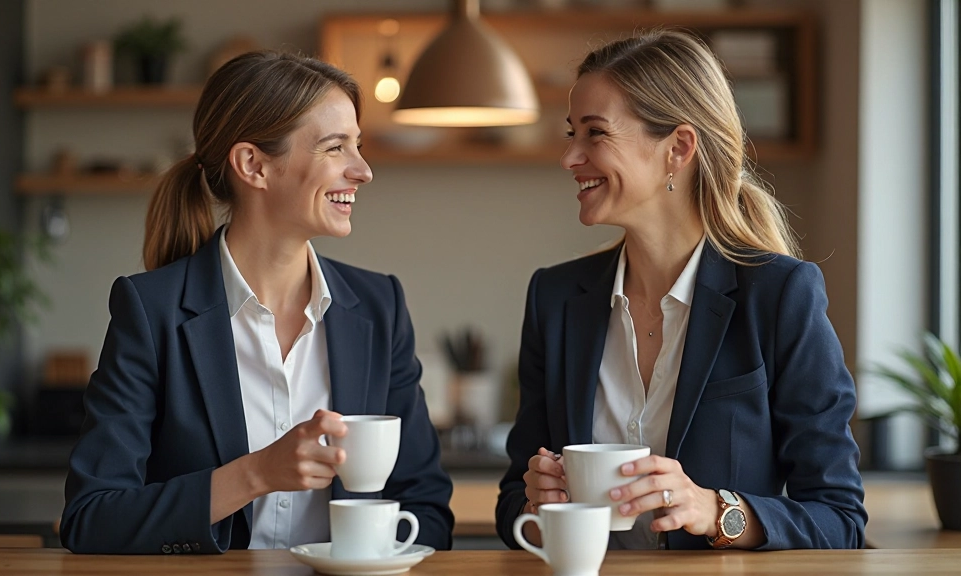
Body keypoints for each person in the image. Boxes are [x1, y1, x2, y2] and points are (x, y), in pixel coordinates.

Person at [60, 51, 454, 554]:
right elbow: (92, 518)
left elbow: (426, 509)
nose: (363, 171)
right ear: (253, 165)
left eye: (357, 146)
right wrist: (256, 474)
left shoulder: (381, 307)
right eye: (335, 148)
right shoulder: (151, 310)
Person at [495, 30, 866, 551]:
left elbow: (840, 519)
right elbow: (513, 502)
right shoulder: (554, 299)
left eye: (595, 133)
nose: (569, 158)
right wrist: (537, 503)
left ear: (678, 148)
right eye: (571, 134)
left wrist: (717, 511)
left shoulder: (780, 295)